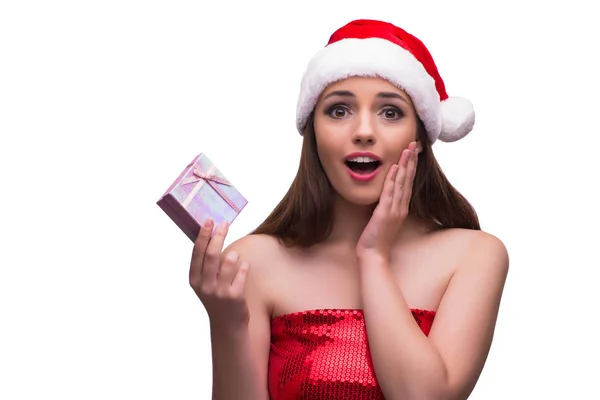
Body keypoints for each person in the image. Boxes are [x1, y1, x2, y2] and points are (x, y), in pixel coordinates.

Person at [189, 19, 509, 400]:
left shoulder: (474, 255)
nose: (363, 131)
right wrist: (228, 326)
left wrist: (373, 256)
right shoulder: (252, 261)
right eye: (339, 111)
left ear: (421, 136)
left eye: (390, 112)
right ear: (313, 133)